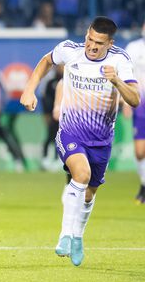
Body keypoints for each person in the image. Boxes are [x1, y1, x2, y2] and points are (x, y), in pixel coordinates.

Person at [20, 16, 139, 266]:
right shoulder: (70, 50)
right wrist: (30, 89)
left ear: (110, 43)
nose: (92, 47)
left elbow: (135, 99)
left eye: (99, 43)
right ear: (86, 34)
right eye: (90, 39)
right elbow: (46, 61)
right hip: (71, 132)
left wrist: (116, 80)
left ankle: (78, 237)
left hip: (101, 139)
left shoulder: (120, 60)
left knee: (90, 192)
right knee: (81, 175)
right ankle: (65, 235)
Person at [124, 22, 145, 203]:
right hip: (140, 103)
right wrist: (125, 102)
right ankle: (144, 183)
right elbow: (126, 76)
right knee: (140, 151)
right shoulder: (133, 48)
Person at [40, 65, 64, 170]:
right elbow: (45, 99)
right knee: (50, 136)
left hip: (66, 117)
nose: (61, 68)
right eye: (59, 66)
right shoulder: (50, 82)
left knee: (61, 138)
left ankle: (58, 159)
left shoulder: (71, 81)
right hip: (53, 115)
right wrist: (46, 114)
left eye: (63, 66)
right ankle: (45, 159)